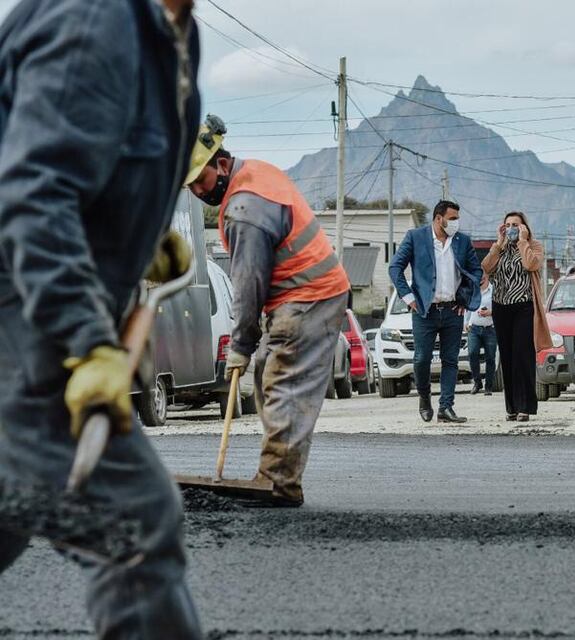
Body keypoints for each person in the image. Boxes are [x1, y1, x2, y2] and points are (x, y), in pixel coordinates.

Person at [0, 0, 203, 636]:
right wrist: (89, 342)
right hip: (20, 325)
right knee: (136, 521)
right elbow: (34, 195)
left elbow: (95, 167)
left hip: (32, 313)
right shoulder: (95, 21)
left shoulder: (172, 34)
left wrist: (141, 240)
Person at [185, 115, 351, 507]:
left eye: (200, 180)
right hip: (306, 293)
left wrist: (240, 344)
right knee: (267, 376)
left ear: (220, 164)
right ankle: (278, 471)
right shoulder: (254, 173)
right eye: (190, 185)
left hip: (308, 296)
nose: (197, 190)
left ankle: (279, 483)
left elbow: (248, 284)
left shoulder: (244, 209)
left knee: (283, 381)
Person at [389, 200, 483, 423]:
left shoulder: (462, 241)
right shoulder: (416, 237)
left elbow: (476, 271)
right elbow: (395, 267)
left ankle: (446, 407)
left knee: (450, 360)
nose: (456, 223)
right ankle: (424, 397)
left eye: (457, 219)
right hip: (424, 311)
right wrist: (408, 297)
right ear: (438, 218)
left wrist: (464, 297)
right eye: (452, 218)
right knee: (421, 359)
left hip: (452, 311)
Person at [481, 212, 552, 422]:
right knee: (507, 357)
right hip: (501, 307)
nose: (511, 228)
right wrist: (498, 243)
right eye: (508, 225)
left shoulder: (534, 246)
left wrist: (522, 241)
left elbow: (531, 265)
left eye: (515, 225)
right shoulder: (500, 248)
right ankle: (511, 407)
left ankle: (525, 407)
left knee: (523, 356)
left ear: (524, 227)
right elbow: (486, 267)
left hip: (524, 307)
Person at [465, 276, 496, 396]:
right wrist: (466, 322)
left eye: (482, 274)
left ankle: (488, 386)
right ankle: (477, 382)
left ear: (487, 275)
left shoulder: (494, 290)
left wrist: (490, 312)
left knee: (490, 358)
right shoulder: (473, 290)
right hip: (474, 328)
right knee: (472, 353)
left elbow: (499, 308)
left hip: (490, 329)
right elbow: (468, 307)